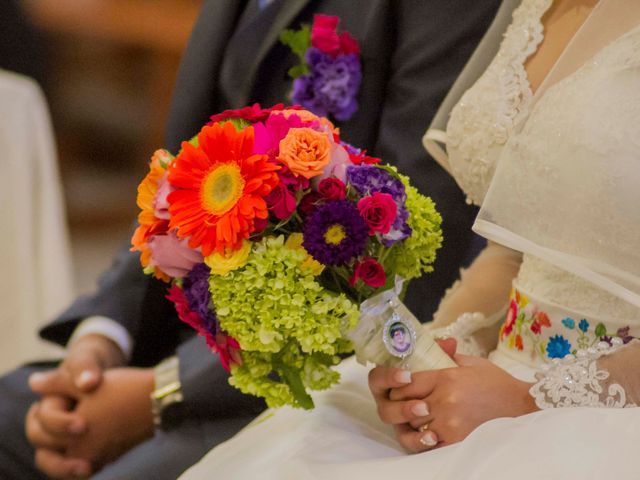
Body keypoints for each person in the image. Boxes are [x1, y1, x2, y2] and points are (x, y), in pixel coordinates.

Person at [0, 1, 501, 479]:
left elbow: (406, 254)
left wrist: (162, 393)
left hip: (300, 387)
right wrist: (99, 341)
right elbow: (179, 188)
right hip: (168, 346)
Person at [178, 0, 640, 478]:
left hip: (610, 409)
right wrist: (432, 364)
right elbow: (513, 250)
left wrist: (530, 400)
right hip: (498, 371)